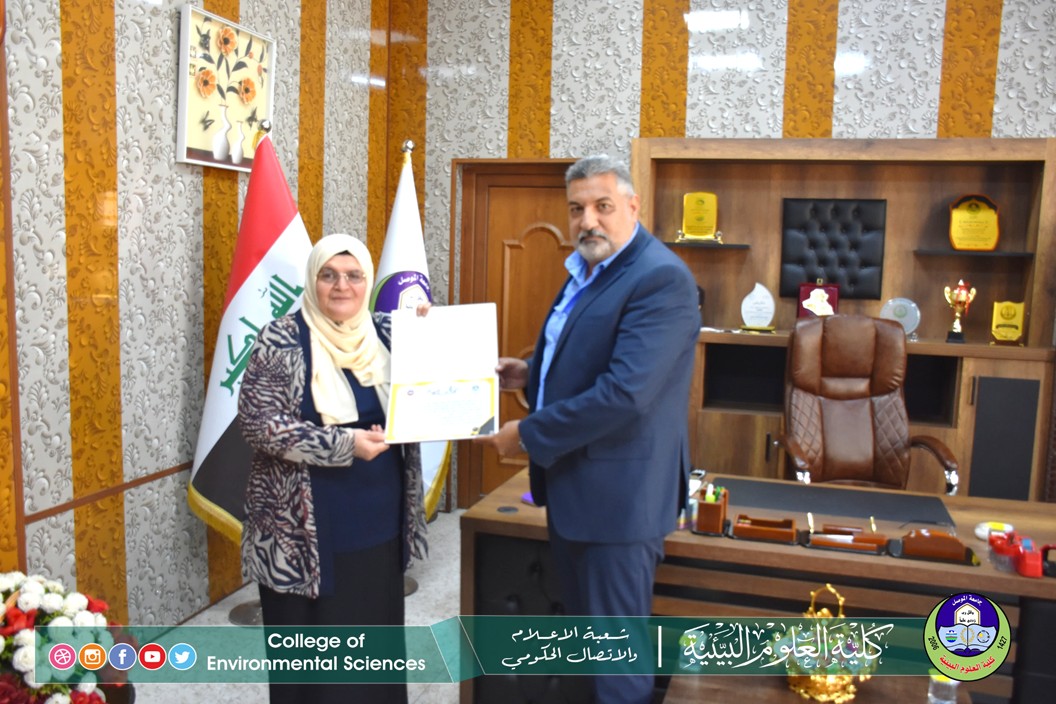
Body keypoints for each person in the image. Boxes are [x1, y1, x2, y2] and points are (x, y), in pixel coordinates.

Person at [476, 154, 700, 704]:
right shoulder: (589, 269)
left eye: (602, 206)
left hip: (619, 503)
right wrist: (529, 373)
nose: (588, 220)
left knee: (616, 659)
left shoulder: (660, 278)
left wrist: (526, 435)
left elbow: (625, 393)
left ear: (633, 206)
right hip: (579, 492)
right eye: (576, 209)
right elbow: (586, 359)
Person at [238, 233, 428, 704]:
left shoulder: (390, 332)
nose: (342, 286)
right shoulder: (280, 338)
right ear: (313, 280)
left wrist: (433, 329)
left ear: (367, 281)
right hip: (300, 529)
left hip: (379, 520)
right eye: (329, 275)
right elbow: (260, 425)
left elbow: (441, 380)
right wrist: (343, 444)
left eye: (353, 275)